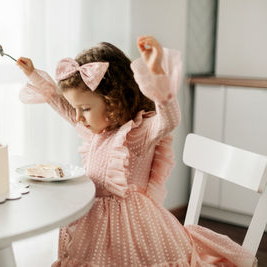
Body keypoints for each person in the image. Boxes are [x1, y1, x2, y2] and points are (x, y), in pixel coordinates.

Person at [16, 36, 256, 267]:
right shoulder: (97, 131)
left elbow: (170, 120)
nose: (78, 116)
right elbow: (61, 107)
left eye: (85, 108)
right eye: (76, 108)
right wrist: (33, 75)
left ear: (113, 100)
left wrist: (158, 79)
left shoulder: (139, 133)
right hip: (93, 224)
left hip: (132, 228)